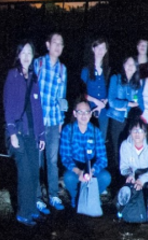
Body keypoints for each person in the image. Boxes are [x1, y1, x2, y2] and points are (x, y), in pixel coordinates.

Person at [4, 41, 46, 226]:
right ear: (18, 55)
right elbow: (8, 104)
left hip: (32, 134)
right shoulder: (12, 76)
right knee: (25, 173)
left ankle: (31, 208)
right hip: (18, 132)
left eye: (30, 52)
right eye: (23, 53)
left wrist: (42, 135)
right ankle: (23, 212)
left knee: (34, 173)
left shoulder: (34, 78)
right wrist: (12, 132)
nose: (27, 56)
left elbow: (37, 109)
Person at [34, 32, 68, 212]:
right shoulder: (38, 64)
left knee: (52, 160)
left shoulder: (63, 69)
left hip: (54, 122)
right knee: (37, 161)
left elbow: (62, 99)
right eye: (55, 42)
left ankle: (53, 195)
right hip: (38, 122)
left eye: (61, 44)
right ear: (48, 45)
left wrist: (61, 123)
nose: (58, 46)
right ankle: (37, 197)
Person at [60, 100, 112, 208]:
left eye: (87, 112)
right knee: (68, 177)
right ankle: (76, 197)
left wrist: (92, 171)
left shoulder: (95, 131)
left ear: (90, 114)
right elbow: (65, 157)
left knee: (106, 177)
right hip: (76, 167)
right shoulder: (68, 130)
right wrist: (78, 172)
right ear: (75, 113)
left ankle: (93, 196)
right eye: (80, 112)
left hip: (91, 167)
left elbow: (103, 158)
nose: (84, 115)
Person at [105, 57, 141, 173]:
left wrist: (136, 104)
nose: (130, 67)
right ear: (123, 65)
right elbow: (112, 101)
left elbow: (138, 101)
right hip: (117, 119)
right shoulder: (115, 79)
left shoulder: (137, 83)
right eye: (128, 64)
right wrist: (129, 104)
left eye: (133, 64)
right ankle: (117, 176)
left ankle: (129, 176)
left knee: (130, 148)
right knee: (117, 149)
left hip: (131, 121)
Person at [116, 118, 148, 213]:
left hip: (147, 175)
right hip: (132, 174)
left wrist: (142, 179)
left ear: (145, 133)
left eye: (140, 131)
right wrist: (130, 175)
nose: (137, 134)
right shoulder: (125, 145)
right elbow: (123, 167)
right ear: (130, 131)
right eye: (134, 130)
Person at [81, 38, 110, 140]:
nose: (100, 51)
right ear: (93, 49)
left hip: (103, 111)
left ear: (106, 51)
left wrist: (104, 103)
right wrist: (95, 101)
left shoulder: (108, 71)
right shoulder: (86, 70)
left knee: (101, 142)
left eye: (103, 48)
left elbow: (110, 91)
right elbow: (82, 92)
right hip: (88, 110)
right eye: (97, 47)